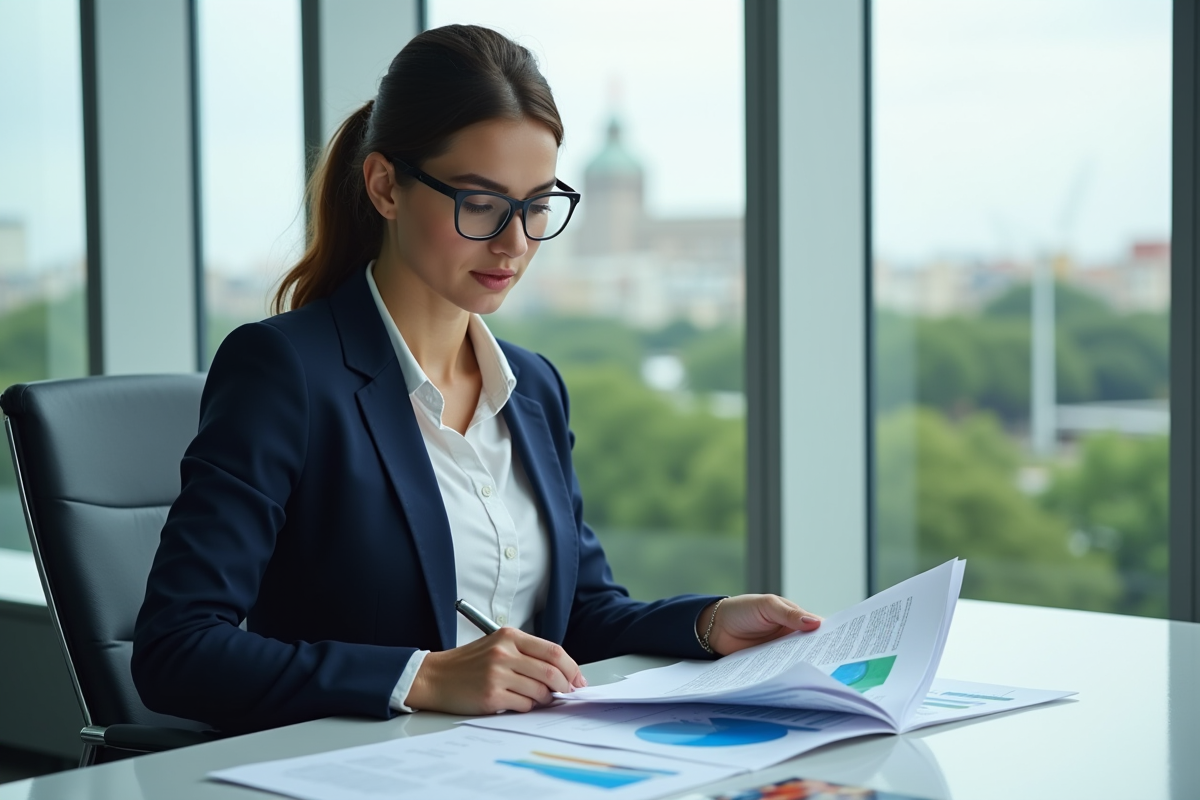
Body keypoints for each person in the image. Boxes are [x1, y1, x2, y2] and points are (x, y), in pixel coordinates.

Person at [132, 24, 821, 734]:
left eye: (536, 205)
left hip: (521, 763)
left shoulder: (532, 386)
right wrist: (421, 676)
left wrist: (706, 624)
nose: (515, 242)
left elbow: (579, 615)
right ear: (385, 187)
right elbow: (176, 650)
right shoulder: (284, 371)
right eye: (481, 203)